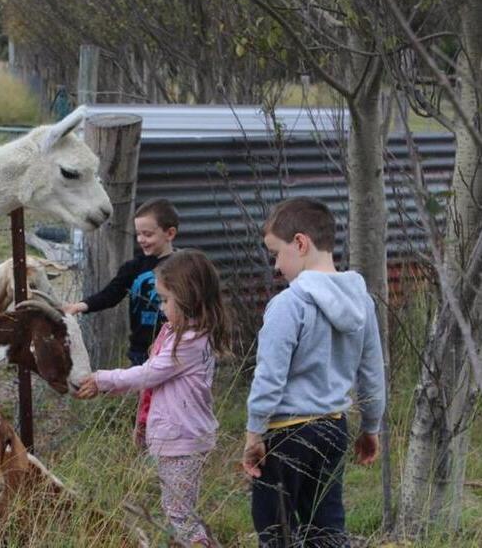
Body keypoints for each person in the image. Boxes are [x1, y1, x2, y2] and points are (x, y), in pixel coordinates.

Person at [241, 197, 386, 547]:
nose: (276, 266)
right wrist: (370, 426)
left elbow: (269, 376)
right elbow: (372, 372)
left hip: (286, 434)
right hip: (333, 427)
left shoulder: (288, 305)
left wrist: (254, 432)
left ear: (301, 243)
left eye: (276, 253)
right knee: (327, 525)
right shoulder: (362, 302)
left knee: (275, 528)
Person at [76, 249, 230, 547]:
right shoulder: (179, 334)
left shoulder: (189, 343)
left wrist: (101, 379)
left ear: (188, 298)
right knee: (178, 511)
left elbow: (146, 375)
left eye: (165, 300)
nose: (161, 308)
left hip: (182, 441)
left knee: (180, 515)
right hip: (177, 437)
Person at [64, 198, 179, 367]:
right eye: (138, 234)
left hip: (174, 348)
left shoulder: (184, 266)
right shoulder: (134, 267)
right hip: (142, 350)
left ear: (169, 233)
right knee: (145, 392)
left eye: (148, 234)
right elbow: (111, 293)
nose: (140, 239)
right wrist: (80, 306)